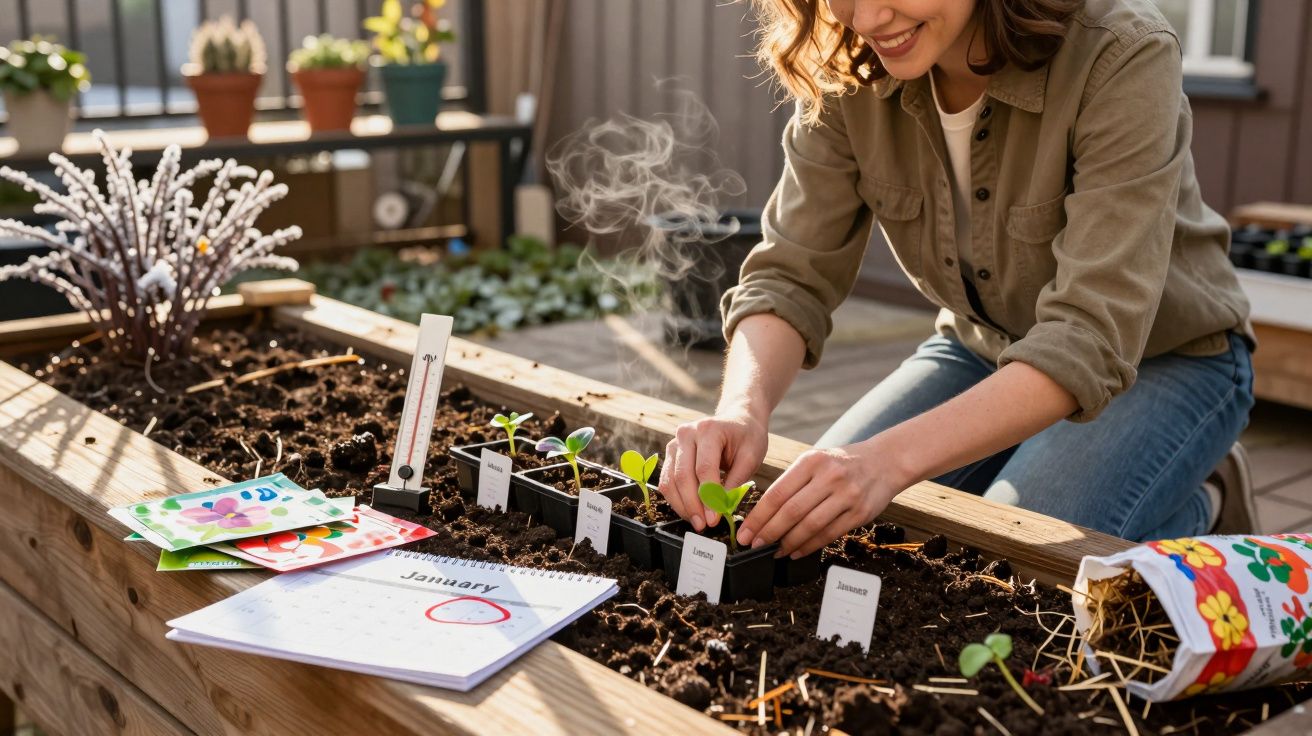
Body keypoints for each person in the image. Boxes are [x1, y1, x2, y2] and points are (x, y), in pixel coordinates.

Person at [657, 0, 1258, 561]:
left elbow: (1088, 335)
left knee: (1006, 559)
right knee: (829, 533)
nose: (865, 16)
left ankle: (1203, 505)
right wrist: (742, 408)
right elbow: (789, 275)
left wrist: (884, 462)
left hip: (1169, 360)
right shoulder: (848, 64)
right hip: (983, 348)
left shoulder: (1121, 51)